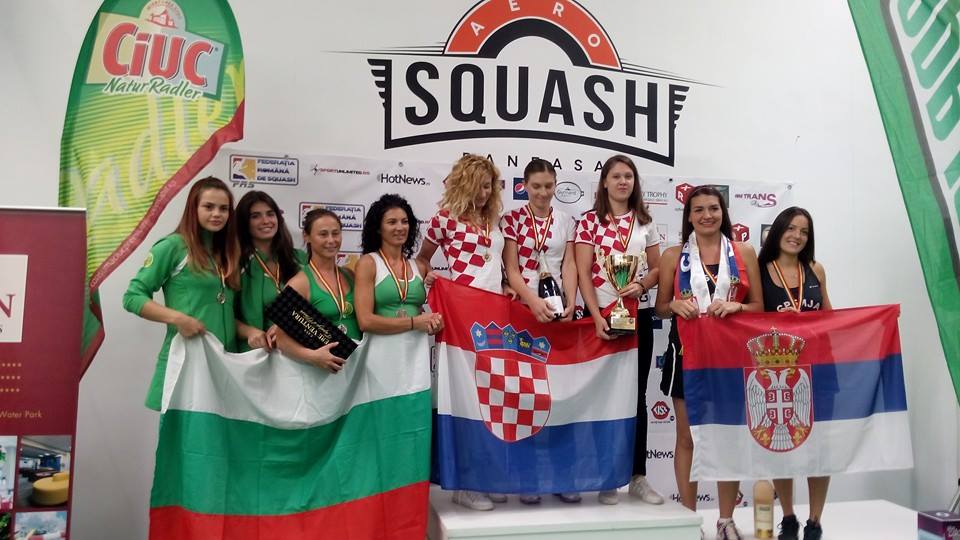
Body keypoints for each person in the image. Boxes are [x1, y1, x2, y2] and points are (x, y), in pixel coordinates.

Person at [654, 185, 763, 540]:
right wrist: (673, 305)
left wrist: (737, 305)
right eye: (698, 209)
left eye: (713, 208)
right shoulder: (673, 255)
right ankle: (688, 520)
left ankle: (725, 520)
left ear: (723, 212)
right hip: (686, 354)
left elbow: (759, 308)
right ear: (688, 216)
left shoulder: (744, 252)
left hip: (731, 357)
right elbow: (660, 307)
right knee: (686, 438)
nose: (707, 215)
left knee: (727, 437)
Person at [416, 154, 512, 511]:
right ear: (463, 184)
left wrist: (507, 284)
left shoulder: (495, 218)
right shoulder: (444, 219)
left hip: (495, 316)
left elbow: (498, 264)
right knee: (466, 398)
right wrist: (427, 279)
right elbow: (422, 259)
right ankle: (464, 483)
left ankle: (485, 476)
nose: (485, 193)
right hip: (462, 316)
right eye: (479, 186)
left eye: (489, 186)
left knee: (492, 397)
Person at [573, 155, 664, 506]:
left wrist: (642, 285)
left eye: (628, 176)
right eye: (616, 176)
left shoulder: (645, 222)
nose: (623, 181)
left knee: (637, 397)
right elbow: (583, 273)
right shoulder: (589, 221)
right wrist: (596, 316)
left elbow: (657, 268)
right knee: (601, 397)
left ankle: (638, 475)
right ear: (605, 182)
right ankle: (605, 476)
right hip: (599, 316)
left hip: (637, 315)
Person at [122, 176, 241, 411]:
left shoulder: (227, 252)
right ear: (193, 208)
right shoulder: (173, 246)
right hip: (186, 360)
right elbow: (132, 297)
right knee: (184, 434)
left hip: (225, 363)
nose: (217, 214)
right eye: (209, 207)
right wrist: (178, 319)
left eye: (224, 208)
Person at [500, 158, 578, 505]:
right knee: (525, 395)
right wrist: (532, 302)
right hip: (523, 312)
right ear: (524, 186)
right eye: (536, 186)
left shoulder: (566, 220)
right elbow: (512, 269)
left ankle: (562, 476)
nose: (543, 193)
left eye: (548, 186)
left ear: (556, 185)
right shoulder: (512, 219)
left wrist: (571, 301)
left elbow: (570, 264)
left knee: (560, 394)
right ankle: (527, 477)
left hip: (558, 313)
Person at [757, 207, 831, 540]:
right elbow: (749, 322)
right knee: (781, 444)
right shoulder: (760, 271)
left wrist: (875, 321)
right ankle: (788, 517)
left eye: (803, 231)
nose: (796, 236)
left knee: (820, 450)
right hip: (777, 373)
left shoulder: (815, 269)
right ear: (778, 231)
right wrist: (778, 320)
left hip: (818, 368)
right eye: (790, 228)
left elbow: (830, 317)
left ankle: (815, 521)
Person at [276, 209, 361, 372]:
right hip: (321, 371)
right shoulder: (299, 283)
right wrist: (313, 356)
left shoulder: (350, 275)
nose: (331, 240)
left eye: (335, 233)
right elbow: (281, 339)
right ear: (306, 236)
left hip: (355, 368)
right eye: (323, 234)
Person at [354, 194, 443, 336]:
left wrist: (433, 323)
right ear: (378, 228)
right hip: (381, 348)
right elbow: (365, 321)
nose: (400, 227)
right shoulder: (368, 263)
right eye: (392, 222)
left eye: (404, 221)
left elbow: (423, 316)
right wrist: (413, 322)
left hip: (417, 348)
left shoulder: (419, 267)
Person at [234, 191, 305, 351]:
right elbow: (223, 313)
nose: (266, 221)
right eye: (255, 216)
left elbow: (315, 304)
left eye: (270, 214)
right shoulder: (235, 264)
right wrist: (249, 332)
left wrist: (284, 325)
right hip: (255, 354)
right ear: (244, 222)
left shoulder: (300, 259)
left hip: (297, 352)